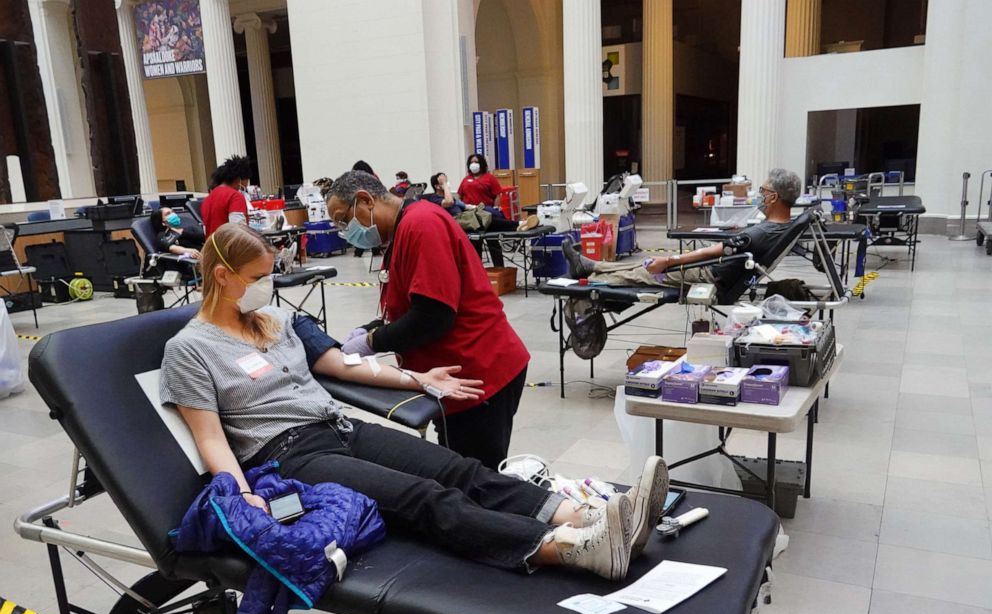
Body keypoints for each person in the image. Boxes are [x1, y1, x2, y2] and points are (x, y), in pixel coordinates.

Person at [159, 222, 671, 581]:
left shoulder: (276, 322)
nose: (266, 286)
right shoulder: (190, 349)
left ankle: (586, 518)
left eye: (269, 275)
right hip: (289, 455)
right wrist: (242, 492)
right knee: (428, 498)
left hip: (338, 428)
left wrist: (418, 378)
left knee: (458, 470)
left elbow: (343, 365)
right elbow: (209, 436)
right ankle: (574, 552)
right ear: (222, 275)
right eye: (256, 278)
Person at [325, 171, 529, 469]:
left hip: (478, 372)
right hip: (450, 378)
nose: (346, 231)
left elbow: (433, 316)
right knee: (457, 464)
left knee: (477, 477)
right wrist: (371, 329)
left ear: (365, 200)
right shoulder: (400, 232)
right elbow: (411, 305)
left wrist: (371, 342)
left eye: (344, 220)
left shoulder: (422, 224)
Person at [562, 168, 803, 289]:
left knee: (646, 272)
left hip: (709, 274)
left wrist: (669, 262)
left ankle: (592, 279)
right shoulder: (779, 227)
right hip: (717, 270)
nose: (759, 196)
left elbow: (714, 252)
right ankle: (592, 265)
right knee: (645, 262)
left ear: (774, 197)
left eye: (763, 191)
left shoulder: (762, 232)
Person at [201, 155, 252, 237]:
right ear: (238, 179)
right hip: (229, 247)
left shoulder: (207, 199)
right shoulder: (235, 196)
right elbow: (238, 230)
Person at [350, 160, 382, 258]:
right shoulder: (374, 177)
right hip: (374, 205)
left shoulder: (356, 180)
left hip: (362, 206)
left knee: (361, 229)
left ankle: (358, 251)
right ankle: (376, 250)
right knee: (373, 228)